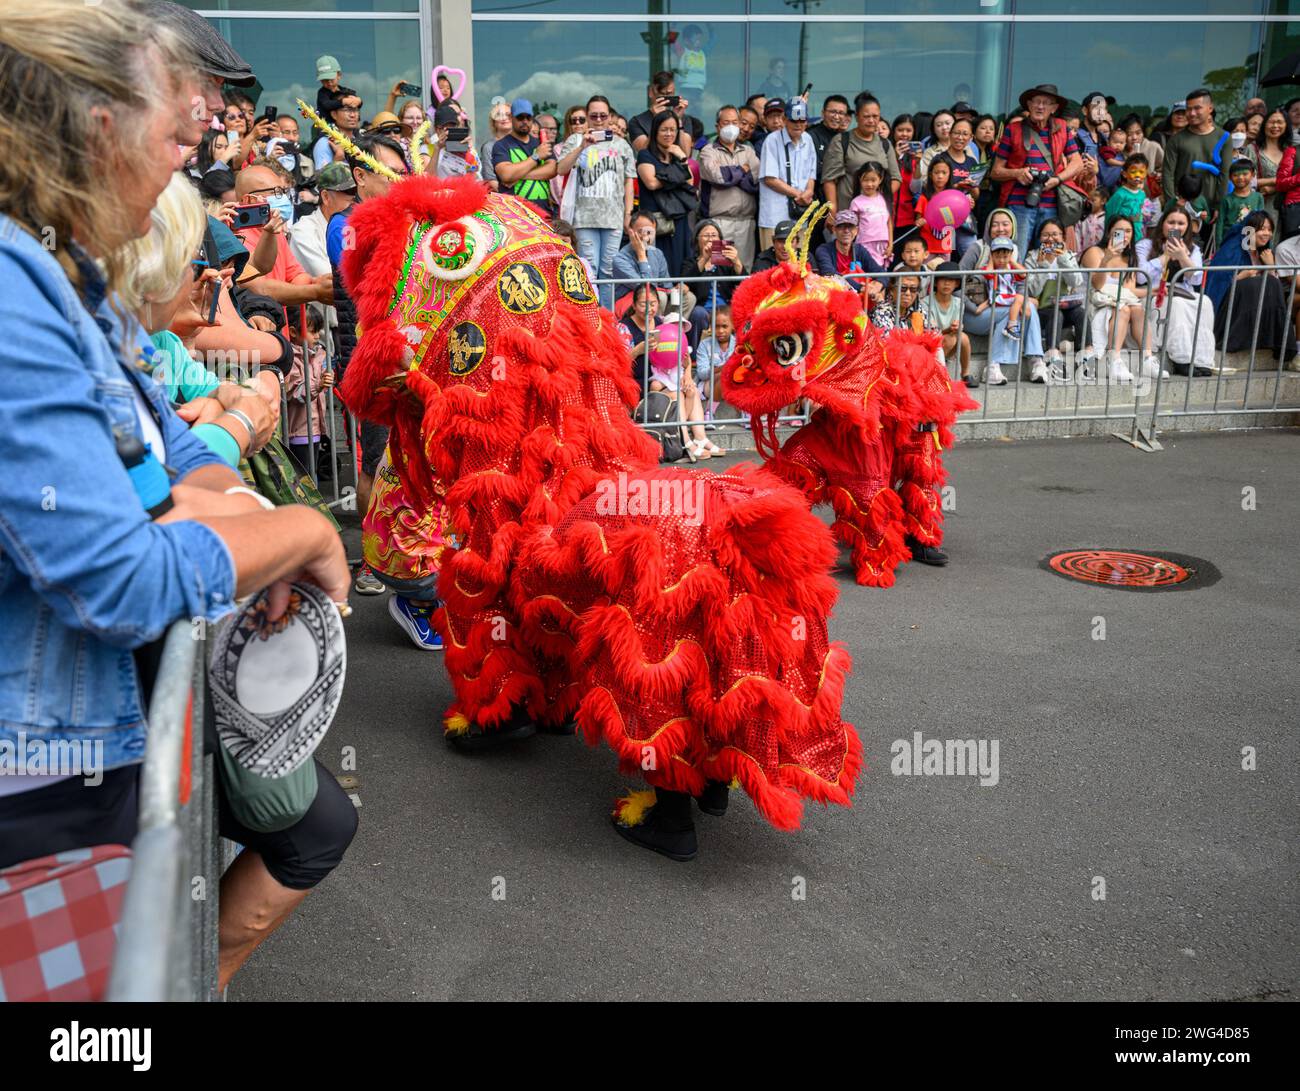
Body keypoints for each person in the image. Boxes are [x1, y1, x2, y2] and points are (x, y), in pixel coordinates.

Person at [0, 0, 354, 993]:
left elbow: (163, 429)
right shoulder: (10, 283)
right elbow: (116, 576)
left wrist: (231, 507)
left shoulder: (57, 270)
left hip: (72, 773)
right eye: (176, 124)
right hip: (36, 795)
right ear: (90, 120)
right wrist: (293, 526)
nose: (183, 157)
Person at [553, 95, 636, 311]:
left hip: (613, 217)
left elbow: (629, 180)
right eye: (593, 116)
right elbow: (561, 169)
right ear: (588, 117)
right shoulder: (575, 140)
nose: (599, 119)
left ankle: (606, 320)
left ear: (610, 117)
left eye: (603, 115)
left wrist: (628, 213)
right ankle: (590, 317)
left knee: (608, 271)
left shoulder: (621, 144)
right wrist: (582, 146)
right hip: (584, 217)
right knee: (589, 268)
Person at [991, 83, 1084, 258]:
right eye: (1036, 101)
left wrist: (1057, 179)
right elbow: (995, 172)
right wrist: (1018, 173)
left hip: (1052, 206)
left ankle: (1041, 286)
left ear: (1054, 108)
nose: (1040, 106)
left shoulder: (1062, 128)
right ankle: (1017, 286)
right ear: (1029, 105)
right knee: (1017, 255)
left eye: (1045, 103)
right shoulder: (1013, 130)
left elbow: (1077, 163)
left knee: (1047, 256)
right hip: (1019, 206)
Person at [1205, 211, 1298, 364]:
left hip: (1251, 309)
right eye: (1261, 229)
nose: (1266, 233)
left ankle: (1279, 343)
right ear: (1248, 230)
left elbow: (1274, 289)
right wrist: (1243, 276)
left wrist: (1270, 266)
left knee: (1271, 284)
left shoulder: (1264, 253)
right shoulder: (1233, 247)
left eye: (1269, 229)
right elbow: (1218, 283)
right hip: (1227, 312)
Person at [1135, 208, 1215, 376]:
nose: (1176, 227)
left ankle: (1201, 359)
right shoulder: (1145, 245)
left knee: (1205, 301)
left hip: (1181, 293)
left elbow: (1196, 280)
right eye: (1171, 222)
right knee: (1177, 304)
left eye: (1181, 223)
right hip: (1153, 295)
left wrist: (1182, 257)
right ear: (1162, 223)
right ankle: (1182, 359)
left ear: (1188, 226)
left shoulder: (1193, 249)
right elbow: (1141, 278)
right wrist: (1164, 256)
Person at [1081, 215, 1158, 381]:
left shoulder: (1129, 258)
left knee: (1137, 309)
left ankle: (1147, 359)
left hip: (1117, 300)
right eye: (1119, 231)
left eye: (1128, 231)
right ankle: (1113, 360)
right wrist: (1106, 259)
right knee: (1123, 309)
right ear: (1109, 233)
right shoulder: (1095, 252)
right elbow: (1097, 285)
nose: (1125, 235)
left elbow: (1129, 291)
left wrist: (1155, 291)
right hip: (1094, 301)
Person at [698, 104, 760, 270]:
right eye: (726, 122)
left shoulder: (748, 151)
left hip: (746, 222)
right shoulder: (708, 151)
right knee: (720, 268)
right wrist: (742, 170)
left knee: (743, 269)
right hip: (719, 223)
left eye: (735, 122)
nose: (731, 127)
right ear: (718, 126)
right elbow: (719, 177)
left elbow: (755, 181)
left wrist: (732, 175)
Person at [637, 110, 699, 276]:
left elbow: (690, 181)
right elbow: (651, 183)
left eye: (672, 130)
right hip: (657, 222)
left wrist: (682, 159)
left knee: (680, 266)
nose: (669, 134)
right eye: (664, 129)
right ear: (655, 130)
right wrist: (677, 175)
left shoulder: (677, 156)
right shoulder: (645, 155)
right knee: (658, 267)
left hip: (679, 220)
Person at [820, 92, 901, 216]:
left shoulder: (885, 144)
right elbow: (829, 179)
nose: (871, 120)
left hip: (876, 215)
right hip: (848, 214)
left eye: (875, 116)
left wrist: (877, 196)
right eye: (866, 116)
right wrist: (832, 210)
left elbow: (896, 178)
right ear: (857, 117)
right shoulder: (841, 141)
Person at [1024, 218, 1086, 378]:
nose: (1050, 239)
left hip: (1067, 308)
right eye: (1045, 235)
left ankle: (1086, 356)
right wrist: (1044, 264)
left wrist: (1063, 258)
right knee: (1055, 313)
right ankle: (1052, 355)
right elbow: (1031, 290)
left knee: (1081, 313)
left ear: (1063, 237)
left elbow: (1076, 282)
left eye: (1055, 234)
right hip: (1043, 311)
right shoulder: (1032, 257)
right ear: (1039, 238)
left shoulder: (1069, 256)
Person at [1162, 88, 1228, 229]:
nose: (1192, 113)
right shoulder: (1176, 139)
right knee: (1174, 245)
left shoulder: (1224, 138)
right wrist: (1173, 203)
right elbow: (1167, 174)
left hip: (1208, 212)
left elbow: (1225, 173)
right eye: (1188, 109)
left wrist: (1218, 205)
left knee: (1202, 248)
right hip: (1179, 212)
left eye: (1197, 108)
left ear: (1210, 108)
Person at [758, 97, 816, 251]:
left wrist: (809, 191)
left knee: (799, 263)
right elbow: (770, 179)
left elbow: (811, 173)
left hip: (799, 215)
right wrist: (799, 194)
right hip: (774, 214)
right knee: (772, 264)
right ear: (784, 119)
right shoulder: (772, 140)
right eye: (794, 120)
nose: (798, 124)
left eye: (802, 120)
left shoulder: (808, 139)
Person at [492, 98, 556, 217]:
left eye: (528, 117)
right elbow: (506, 174)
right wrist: (536, 157)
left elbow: (552, 170)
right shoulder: (501, 145)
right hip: (514, 215)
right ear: (511, 118)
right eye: (520, 117)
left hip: (544, 214)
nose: (525, 121)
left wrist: (517, 176)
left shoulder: (541, 143)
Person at [925, 261, 975, 387]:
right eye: (943, 280)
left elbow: (956, 328)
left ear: (956, 283)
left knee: (962, 337)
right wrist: (949, 330)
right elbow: (932, 333)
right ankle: (938, 374)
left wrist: (957, 328)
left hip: (949, 341)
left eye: (951, 280)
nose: (947, 283)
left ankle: (965, 374)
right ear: (936, 282)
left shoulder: (959, 303)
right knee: (950, 339)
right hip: (930, 345)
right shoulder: (925, 302)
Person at [629, 71, 695, 157]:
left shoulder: (684, 119)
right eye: (662, 95)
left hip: (677, 168)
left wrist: (678, 120)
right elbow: (643, 153)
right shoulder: (637, 122)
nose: (666, 99)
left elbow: (686, 153)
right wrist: (657, 120)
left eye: (669, 94)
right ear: (651, 93)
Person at [814, 208, 885, 282]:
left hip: (861, 291)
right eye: (841, 226)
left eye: (850, 227)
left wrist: (879, 284)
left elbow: (880, 272)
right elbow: (830, 274)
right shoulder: (824, 250)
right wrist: (861, 287)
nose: (846, 231)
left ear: (856, 231)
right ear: (834, 230)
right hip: (837, 292)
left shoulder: (860, 250)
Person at [1104, 154, 1161, 242]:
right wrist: (1110, 239)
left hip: (1137, 236)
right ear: (1124, 174)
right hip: (1120, 236)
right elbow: (1110, 216)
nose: (1137, 175)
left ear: (1146, 173)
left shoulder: (1142, 194)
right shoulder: (1120, 195)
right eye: (1133, 172)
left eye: (1141, 172)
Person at [849, 161, 892, 268]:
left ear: (880, 179)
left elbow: (889, 222)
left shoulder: (884, 199)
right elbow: (852, 227)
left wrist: (890, 244)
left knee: (880, 275)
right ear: (860, 179)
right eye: (866, 180)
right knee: (867, 274)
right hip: (864, 245)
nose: (869, 184)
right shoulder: (856, 202)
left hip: (883, 246)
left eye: (873, 180)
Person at [1249, 109, 1289, 223]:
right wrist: (1275, 180)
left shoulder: (1290, 150)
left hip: (1286, 210)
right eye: (1271, 122)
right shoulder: (1253, 149)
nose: (1275, 125)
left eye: (1280, 122)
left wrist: (1275, 187)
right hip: (1259, 207)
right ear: (1264, 124)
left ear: (1286, 125)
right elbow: (1245, 179)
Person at [312, 91, 362, 171]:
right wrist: (338, 158)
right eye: (347, 110)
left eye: (355, 110)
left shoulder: (361, 140)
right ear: (334, 114)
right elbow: (322, 180)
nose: (353, 115)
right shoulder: (325, 143)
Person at [1219, 158, 1264, 246]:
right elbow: (1220, 224)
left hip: (1250, 239)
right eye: (1235, 175)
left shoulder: (1258, 197)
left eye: (1245, 174)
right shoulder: (1227, 199)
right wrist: (1219, 245)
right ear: (1230, 177)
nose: (1240, 177)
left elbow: (1261, 221)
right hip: (1230, 239)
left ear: (1253, 175)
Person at [808, 94, 851, 179]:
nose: (836, 116)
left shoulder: (848, 138)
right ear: (823, 113)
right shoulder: (811, 136)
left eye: (841, 113)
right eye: (832, 112)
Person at [479, 99, 513, 193]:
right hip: (505, 201)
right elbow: (491, 181)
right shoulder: (489, 147)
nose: (504, 118)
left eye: (508, 114)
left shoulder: (521, 143)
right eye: (498, 115)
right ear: (493, 122)